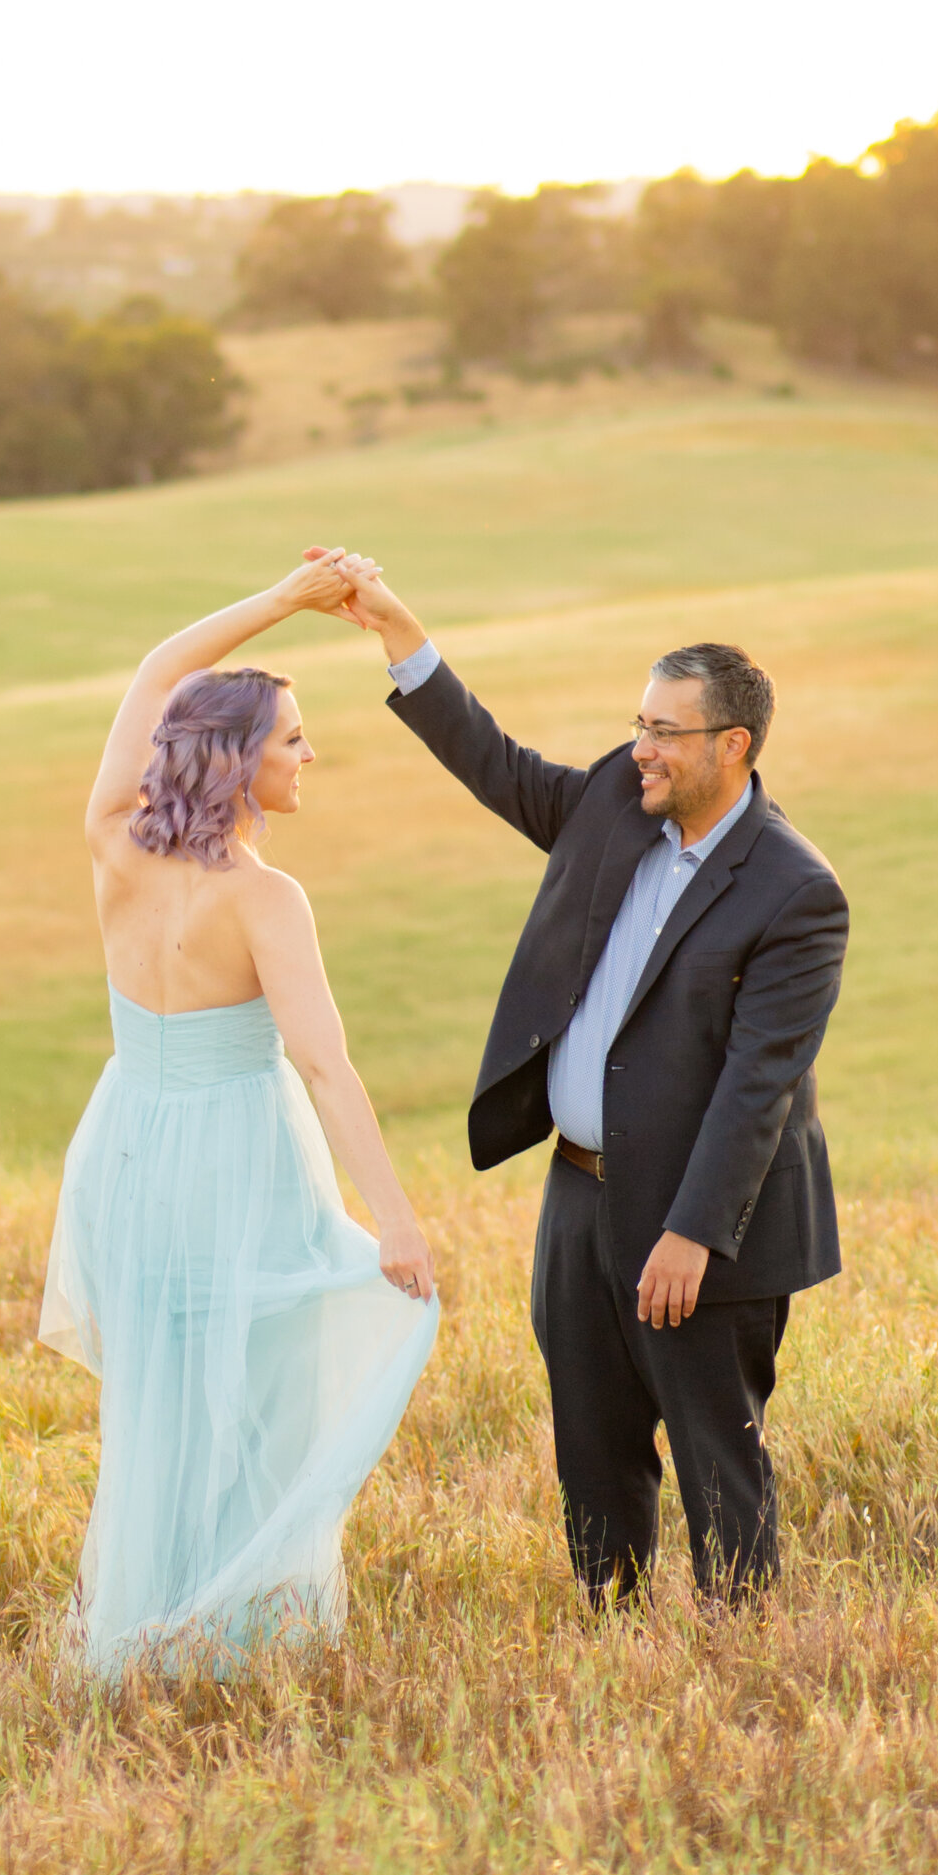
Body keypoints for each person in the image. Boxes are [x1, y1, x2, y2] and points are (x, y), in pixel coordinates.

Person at [331, 555, 846, 1604]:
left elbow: (760, 1086)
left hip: (706, 1228)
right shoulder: (617, 805)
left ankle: (746, 1665)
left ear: (731, 746)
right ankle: (608, 1643)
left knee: (718, 1463)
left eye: (664, 731)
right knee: (591, 1451)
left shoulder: (797, 893)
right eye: (639, 723)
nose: (639, 747)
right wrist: (395, 629)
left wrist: (692, 1233)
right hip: (578, 1197)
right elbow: (497, 764)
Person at [39, 557, 440, 1680]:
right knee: (263, 1394)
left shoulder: (115, 841)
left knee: (162, 1398)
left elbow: (161, 667)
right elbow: (323, 1064)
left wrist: (278, 601)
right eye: (294, 740)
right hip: (237, 1151)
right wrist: (395, 1221)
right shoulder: (265, 897)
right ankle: (229, 1637)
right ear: (240, 760)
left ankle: (147, 1627)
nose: (311, 756)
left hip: (129, 1141)